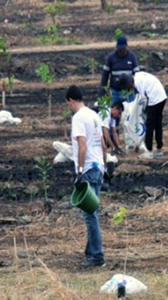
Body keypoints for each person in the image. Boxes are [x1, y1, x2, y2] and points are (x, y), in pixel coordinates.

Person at [66, 85, 107, 267]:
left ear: (71, 100)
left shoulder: (78, 118)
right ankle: (90, 252)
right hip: (99, 167)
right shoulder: (94, 115)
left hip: (89, 169)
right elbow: (103, 143)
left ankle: (97, 256)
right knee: (93, 211)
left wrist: (80, 170)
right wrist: (105, 167)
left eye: (68, 104)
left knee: (90, 214)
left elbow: (82, 145)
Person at [120, 72, 167, 159]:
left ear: (130, 82)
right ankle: (159, 148)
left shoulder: (138, 83)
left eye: (128, 86)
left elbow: (143, 100)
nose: (129, 88)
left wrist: (141, 112)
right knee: (157, 123)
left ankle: (149, 150)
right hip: (162, 96)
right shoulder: (138, 75)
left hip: (155, 98)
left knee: (150, 124)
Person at [100, 36, 140, 106]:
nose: (121, 51)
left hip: (128, 92)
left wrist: (137, 90)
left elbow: (137, 75)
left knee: (131, 111)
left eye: (123, 49)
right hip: (115, 91)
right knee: (113, 111)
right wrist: (102, 90)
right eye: (119, 49)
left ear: (126, 47)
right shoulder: (111, 57)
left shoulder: (132, 57)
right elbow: (105, 75)